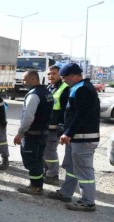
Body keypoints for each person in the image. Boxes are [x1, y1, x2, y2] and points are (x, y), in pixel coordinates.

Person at [47, 63, 100, 212]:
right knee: (71, 166)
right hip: (76, 137)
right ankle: (66, 193)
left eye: (64, 78)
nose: (63, 81)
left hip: (83, 137)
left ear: (72, 76)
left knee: (84, 170)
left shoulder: (83, 89)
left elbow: (81, 115)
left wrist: (68, 133)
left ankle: (88, 202)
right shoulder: (78, 88)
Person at [14, 70, 53, 195]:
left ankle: (36, 187)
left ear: (33, 79)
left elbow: (28, 117)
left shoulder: (33, 95)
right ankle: (37, 184)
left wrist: (20, 133)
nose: (22, 82)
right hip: (43, 133)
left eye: (24, 79)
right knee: (38, 159)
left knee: (32, 161)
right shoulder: (47, 93)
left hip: (32, 135)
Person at [42, 65, 70, 185]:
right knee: (44, 151)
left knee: (50, 152)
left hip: (55, 127)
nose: (50, 76)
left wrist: (62, 127)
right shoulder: (49, 87)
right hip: (47, 126)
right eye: (49, 74)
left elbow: (66, 110)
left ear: (60, 75)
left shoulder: (65, 88)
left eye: (53, 73)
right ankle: (47, 172)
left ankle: (53, 175)